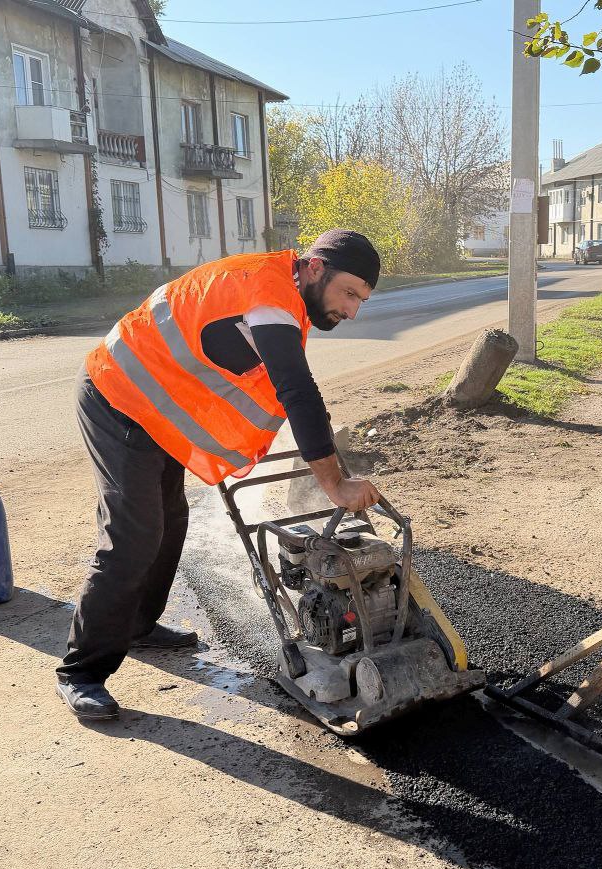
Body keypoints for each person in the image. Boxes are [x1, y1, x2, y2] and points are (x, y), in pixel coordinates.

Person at [56, 230, 383, 719]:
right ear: (315, 268)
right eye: (350, 293)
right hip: (117, 396)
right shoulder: (268, 295)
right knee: (134, 535)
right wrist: (334, 484)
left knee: (171, 520)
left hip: (156, 405)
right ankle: (80, 672)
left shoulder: (286, 291)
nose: (353, 309)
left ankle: (138, 626)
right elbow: (297, 390)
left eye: (362, 299)